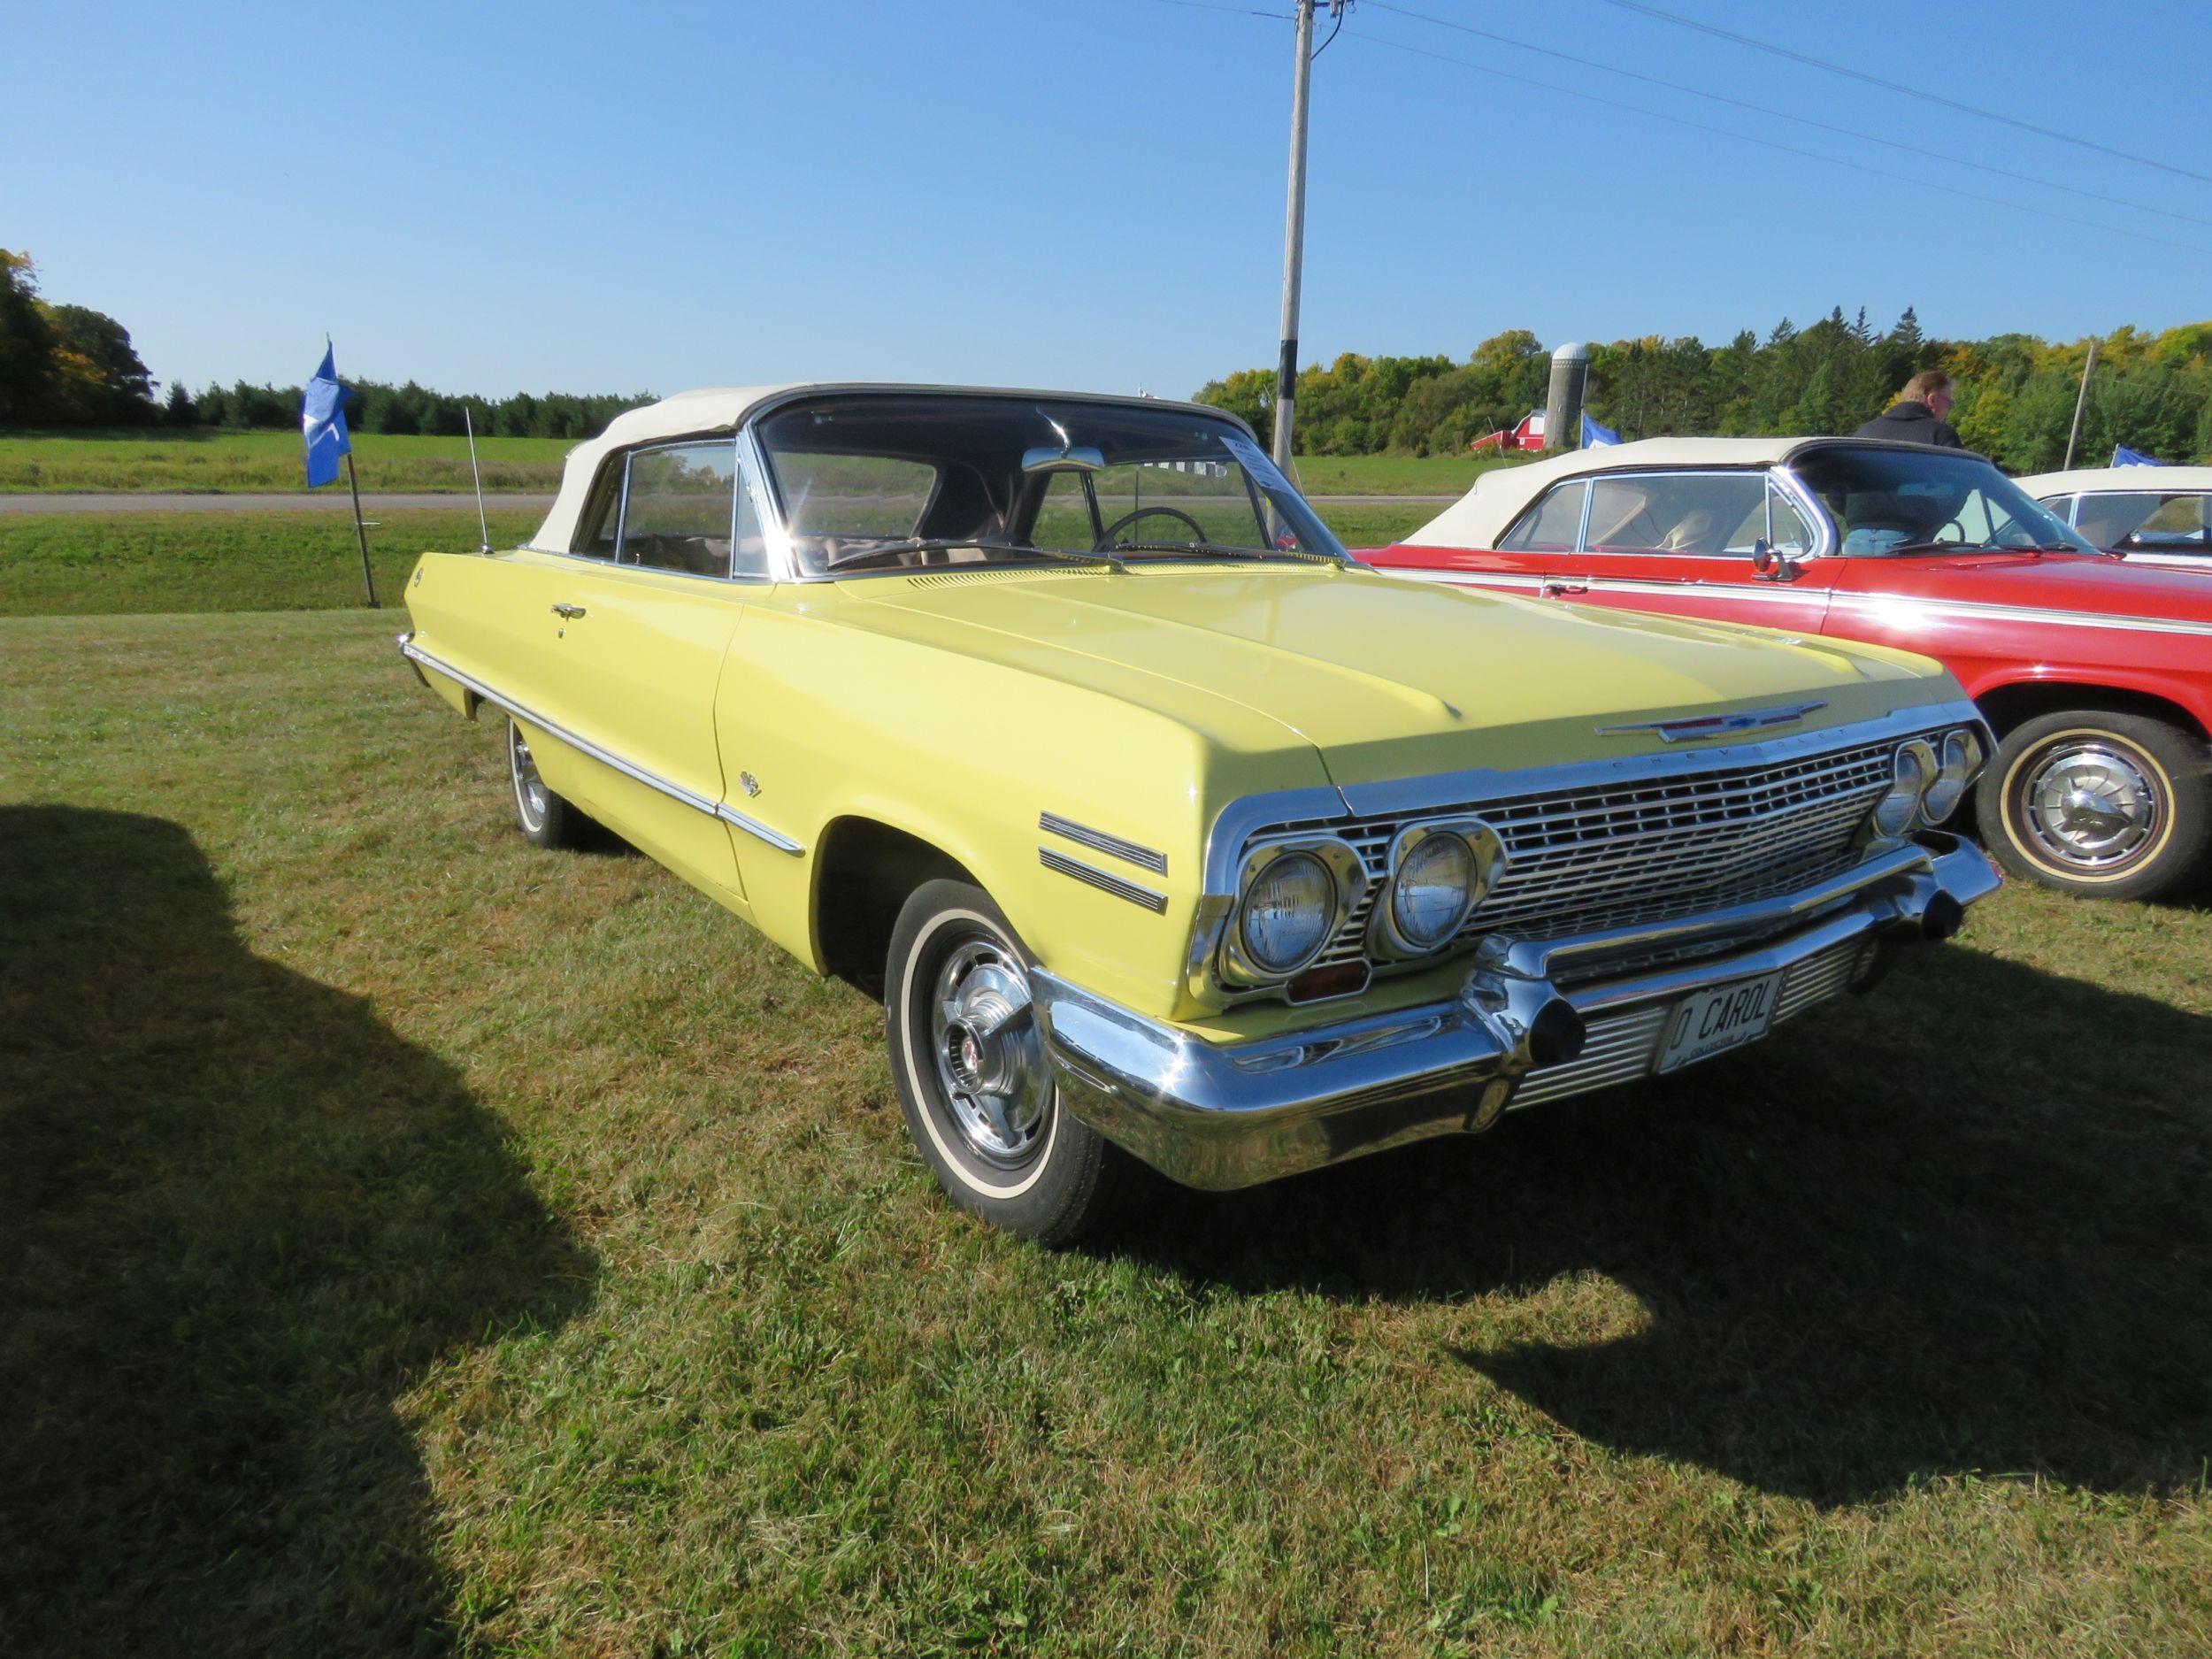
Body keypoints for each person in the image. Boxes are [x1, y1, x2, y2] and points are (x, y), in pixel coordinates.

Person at [1855, 370, 1965, 448]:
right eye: (1949, 402)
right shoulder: (1941, 435)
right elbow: (1959, 478)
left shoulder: (1864, 433)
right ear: (1932, 400)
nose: (1949, 408)